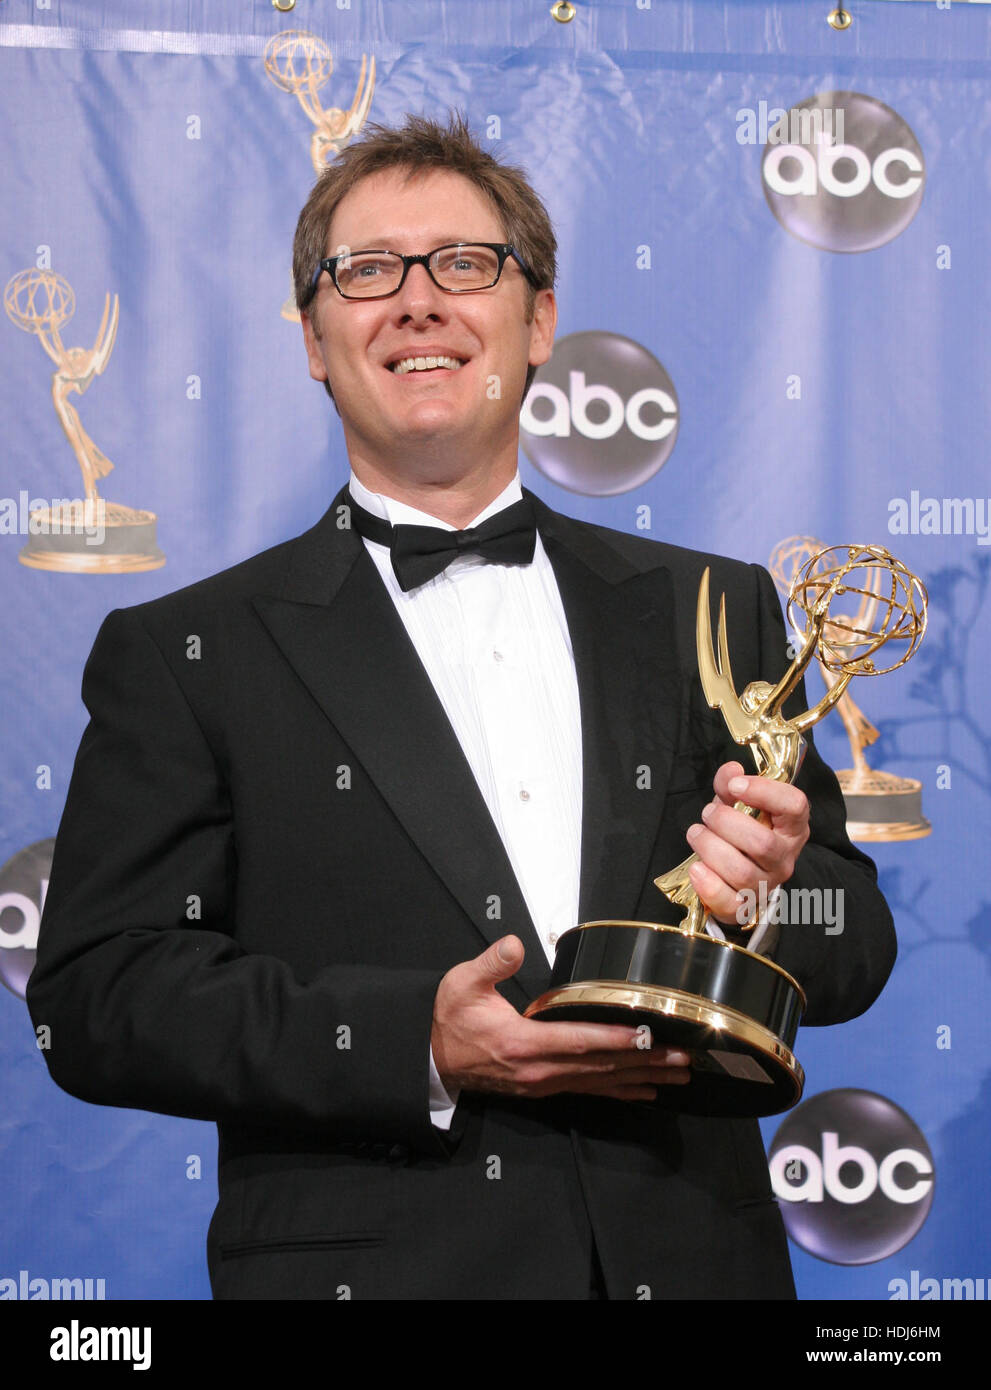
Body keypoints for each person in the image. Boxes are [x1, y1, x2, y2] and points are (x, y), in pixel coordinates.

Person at [27, 111, 896, 1301]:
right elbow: (95, 997)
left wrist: (762, 902)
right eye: (368, 270)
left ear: (538, 322)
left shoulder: (713, 606)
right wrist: (411, 1043)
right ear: (315, 340)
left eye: (465, 264)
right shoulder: (189, 651)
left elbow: (851, 942)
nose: (418, 301)